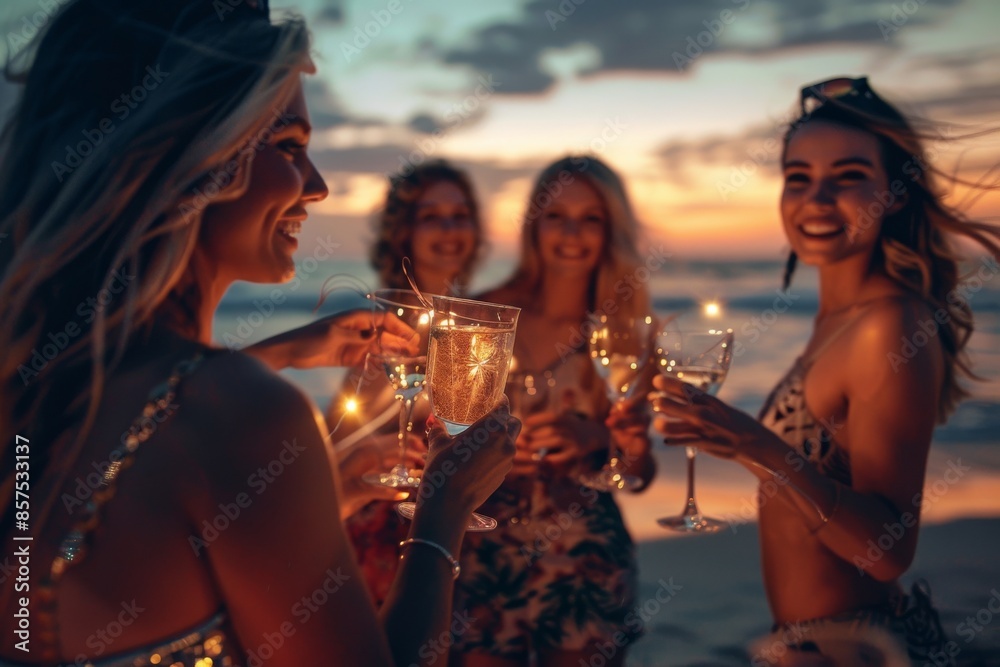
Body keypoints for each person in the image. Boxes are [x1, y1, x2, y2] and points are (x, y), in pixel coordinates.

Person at [0, 2, 516, 666]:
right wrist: (445, 511)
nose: (318, 186)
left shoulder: (43, 381)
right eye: (289, 146)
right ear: (194, 154)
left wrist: (324, 481)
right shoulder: (244, 417)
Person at [650, 76, 1000, 665]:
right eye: (799, 178)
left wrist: (756, 446)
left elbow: (887, 553)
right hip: (809, 644)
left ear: (895, 194)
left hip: (856, 646)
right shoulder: (837, 319)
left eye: (849, 176)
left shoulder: (888, 325)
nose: (816, 199)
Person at [451, 156, 657, 667]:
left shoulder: (627, 333)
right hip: (484, 548)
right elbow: (440, 434)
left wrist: (600, 440)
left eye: (591, 219)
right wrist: (485, 453)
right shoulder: (481, 317)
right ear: (533, 225)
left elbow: (639, 473)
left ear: (610, 231)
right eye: (556, 216)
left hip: (586, 555)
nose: (571, 234)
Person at [327, 159, 485, 608]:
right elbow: (334, 445)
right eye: (431, 217)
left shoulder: (480, 325)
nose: (449, 230)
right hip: (390, 532)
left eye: (459, 215)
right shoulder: (382, 334)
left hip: (461, 530)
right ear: (403, 233)